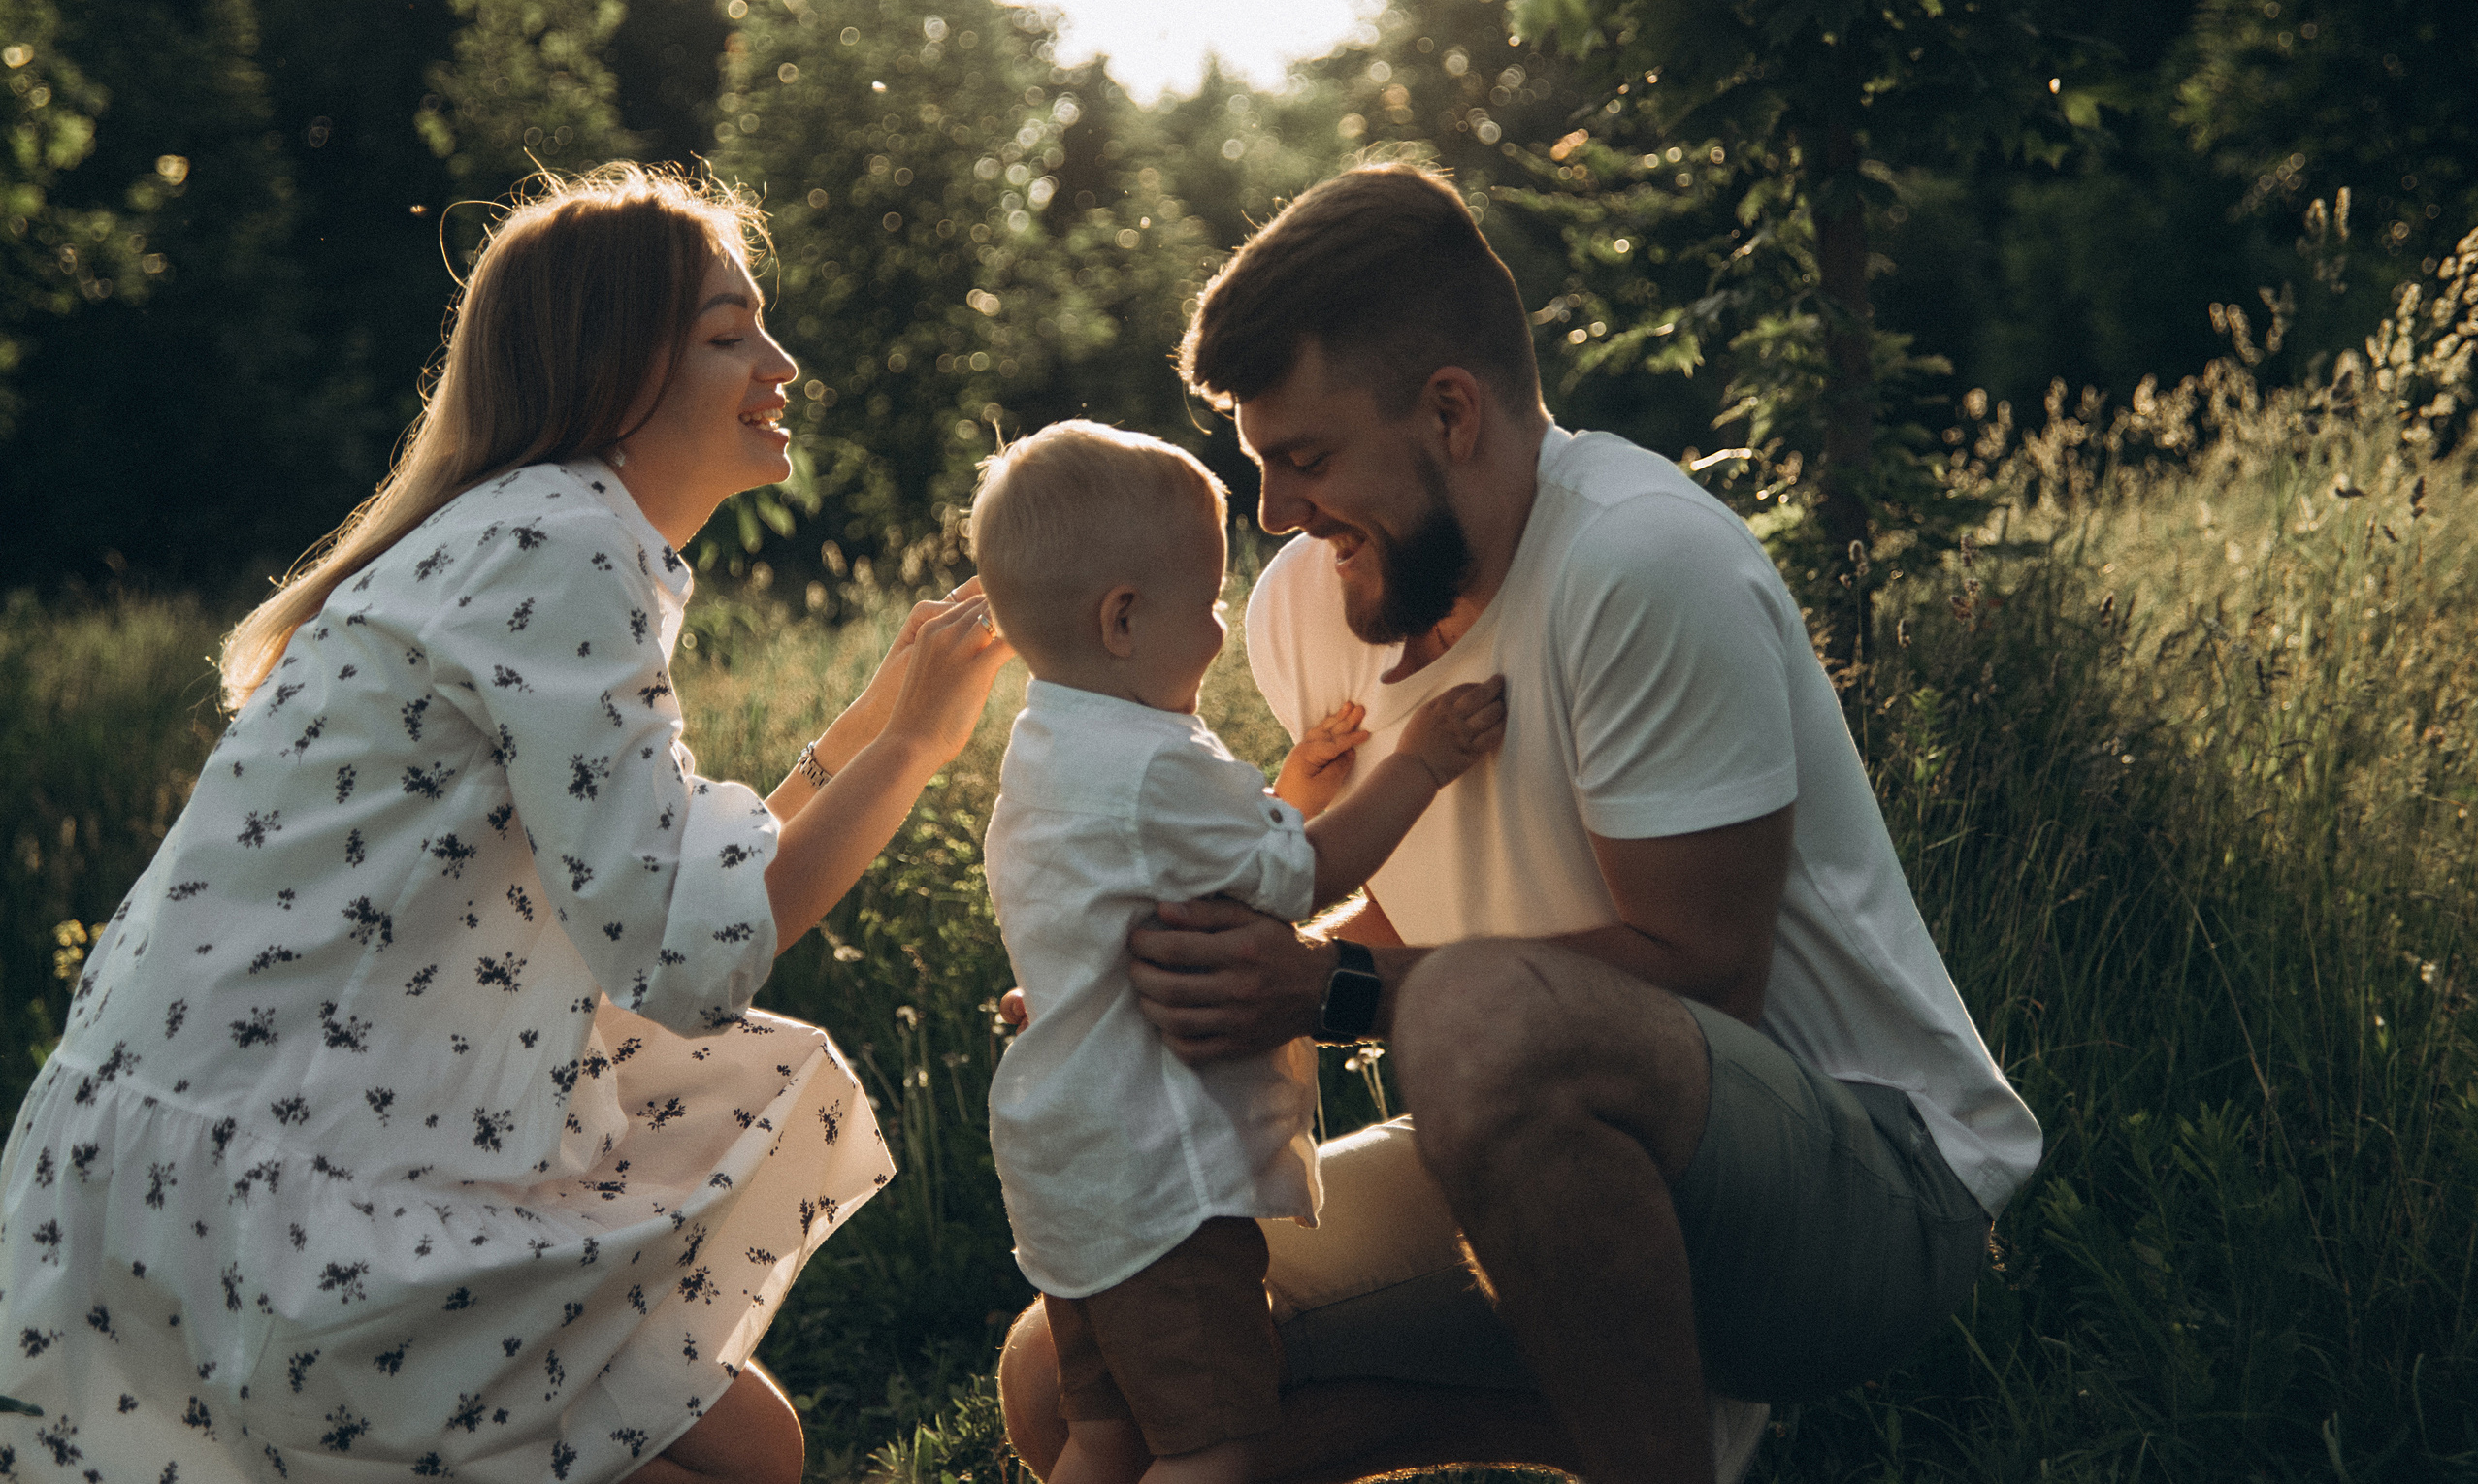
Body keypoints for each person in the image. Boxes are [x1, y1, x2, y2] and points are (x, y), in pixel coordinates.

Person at [997, 164, 2044, 1484]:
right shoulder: (1301, 607)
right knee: (1075, 1381)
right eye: (1262, 464)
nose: (1277, 513)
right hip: (1533, 1116)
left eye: (1307, 459)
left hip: (1859, 1184)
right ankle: (1631, 1421)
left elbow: (1709, 969)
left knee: (1475, 1023)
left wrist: (1325, 984)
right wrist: (1166, 973)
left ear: (1450, 412)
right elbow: (1423, 908)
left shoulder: (1640, 561)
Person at [0, 165, 1013, 1484]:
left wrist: (874, 725)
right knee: (746, 1459)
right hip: (277, 1201)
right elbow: (683, 954)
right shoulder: (566, 541)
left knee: (753, 1447)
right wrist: (921, 749)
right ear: (610, 370)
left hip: (203, 1169)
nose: (780, 360)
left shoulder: (527, 529)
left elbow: (656, 874)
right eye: (725, 332)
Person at [967, 421, 1504, 1484]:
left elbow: (1194, 858)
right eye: (1209, 603)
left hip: (1070, 1173)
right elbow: (1296, 876)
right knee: (1218, 1443)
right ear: (1123, 617)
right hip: (1165, 1181)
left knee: (1105, 1435)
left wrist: (1294, 785)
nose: (1221, 629)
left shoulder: (1052, 747)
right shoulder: (1162, 764)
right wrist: (1420, 762)